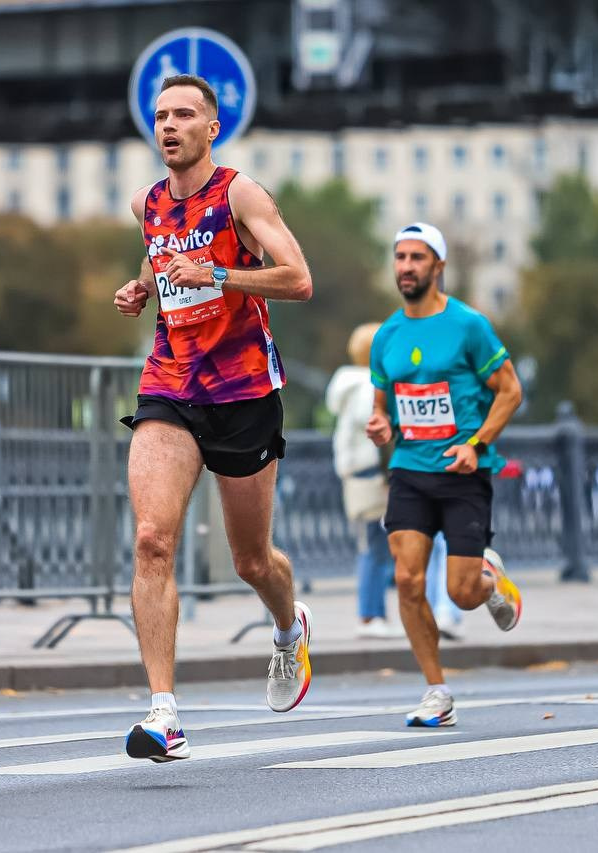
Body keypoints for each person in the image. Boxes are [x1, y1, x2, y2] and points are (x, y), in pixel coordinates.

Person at [113, 74, 314, 762]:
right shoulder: (145, 201)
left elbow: (297, 277)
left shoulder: (240, 194)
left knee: (251, 559)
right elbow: (161, 251)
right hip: (170, 382)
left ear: (212, 128)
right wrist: (143, 284)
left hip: (243, 392)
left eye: (184, 115)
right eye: (160, 115)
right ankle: (163, 712)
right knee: (150, 539)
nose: (168, 125)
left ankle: (289, 629)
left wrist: (222, 276)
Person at [366, 222, 524, 728]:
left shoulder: (469, 326)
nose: (406, 267)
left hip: (463, 473)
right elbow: (382, 406)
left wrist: (477, 445)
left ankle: (489, 580)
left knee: (460, 593)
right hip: (411, 469)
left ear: (438, 266)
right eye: (399, 257)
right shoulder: (386, 334)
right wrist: (381, 424)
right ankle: (437, 690)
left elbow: (510, 390)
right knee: (408, 578)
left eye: (417, 257)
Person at [326, 323, 403, 639]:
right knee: (376, 546)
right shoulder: (368, 388)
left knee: (374, 544)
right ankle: (371, 617)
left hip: (356, 474)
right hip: (372, 475)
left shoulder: (347, 385)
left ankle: (376, 614)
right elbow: (380, 432)